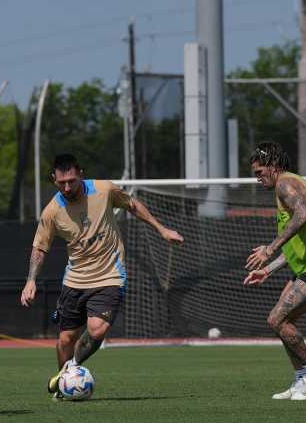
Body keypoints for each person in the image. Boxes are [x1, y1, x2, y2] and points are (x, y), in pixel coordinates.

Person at [19, 154, 183, 399]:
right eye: (61, 182)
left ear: (81, 174)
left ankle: (70, 370)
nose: (66, 187)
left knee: (97, 329)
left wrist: (161, 229)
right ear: (53, 179)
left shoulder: (104, 189)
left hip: (110, 274)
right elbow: (40, 247)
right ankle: (65, 381)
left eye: (71, 181)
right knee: (66, 339)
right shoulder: (52, 211)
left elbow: (132, 205)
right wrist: (31, 280)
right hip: (75, 279)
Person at [243, 142, 306, 400]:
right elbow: (297, 243)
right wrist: (269, 268)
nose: (257, 178)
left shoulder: (284, 184)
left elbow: (303, 217)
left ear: (274, 167)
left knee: (277, 319)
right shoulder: (287, 185)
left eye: (259, 172)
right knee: (280, 323)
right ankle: (303, 379)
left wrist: (269, 248)